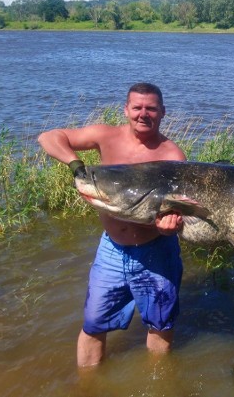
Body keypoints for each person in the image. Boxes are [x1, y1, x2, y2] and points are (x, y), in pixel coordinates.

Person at [37, 82, 186, 368]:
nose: (144, 114)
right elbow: (49, 137)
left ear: (163, 112)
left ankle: (156, 382)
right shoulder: (105, 135)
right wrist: (76, 166)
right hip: (112, 250)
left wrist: (170, 227)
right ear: (126, 110)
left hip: (157, 250)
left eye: (151, 108)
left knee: (160, 324)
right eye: (137, 107)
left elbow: (178, 212)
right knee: (94, 324)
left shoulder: (172, 156)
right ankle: (88, 387)